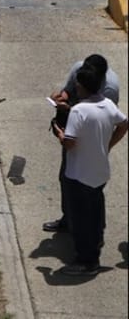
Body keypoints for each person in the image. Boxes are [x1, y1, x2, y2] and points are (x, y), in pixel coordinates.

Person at [52, 66, 128, 275]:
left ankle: (87, 261)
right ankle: (96, 243)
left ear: (83, 87)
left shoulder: (78, 111)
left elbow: (69, 143)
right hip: (100, 172)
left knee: (81, 218)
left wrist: (59, 133)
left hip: (79, 174)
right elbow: (124, 124)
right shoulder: (108, 105)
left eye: (78, 85)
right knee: (95, 211)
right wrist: (108, 145)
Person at [44, 54, 120, 233]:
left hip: (93, 138)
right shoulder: (80, 69)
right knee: (67, 178)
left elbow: (103, 120)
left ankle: (93, 232)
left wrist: (107, 146)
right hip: (74, 127)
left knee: (91, 188)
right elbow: (67, 91)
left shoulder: (109, 89)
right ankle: (69, 220)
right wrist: (60, 98)